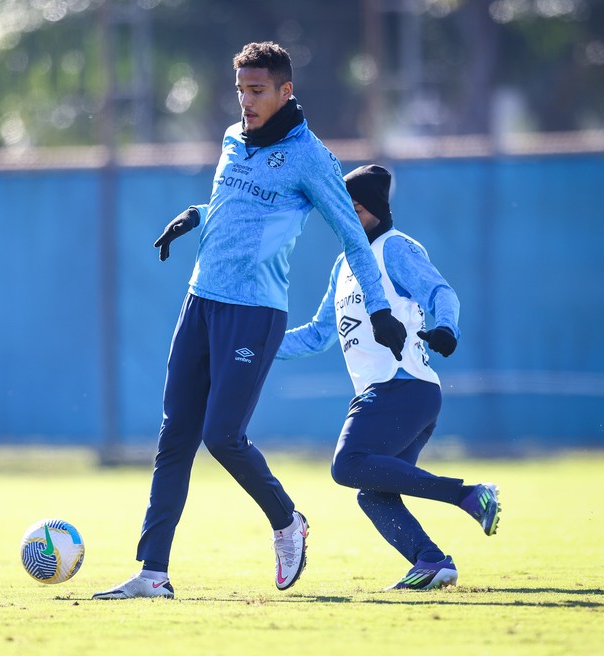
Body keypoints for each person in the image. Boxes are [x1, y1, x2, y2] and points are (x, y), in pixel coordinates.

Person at [92, 42, 409, 600]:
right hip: (200, 303)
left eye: (257, 90)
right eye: (240, 90)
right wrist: (197, 215)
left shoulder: (312, 158)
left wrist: (380, 309)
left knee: (223, 436)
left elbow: (353, 237)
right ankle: (152, 572)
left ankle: (288, 522)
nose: (246, 101)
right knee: (175, 438)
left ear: (286, 91)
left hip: (254, 312)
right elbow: (241, 210)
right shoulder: (233, 141)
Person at [276, 163, 502, 590]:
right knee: (372, 492)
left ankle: (468, 495)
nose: (347, 219)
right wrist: (256, 347)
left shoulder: (395, 249)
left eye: (356, 209)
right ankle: (431, 561)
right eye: (343, 210)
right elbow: (318, 335)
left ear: (377, 210)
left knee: (347, 465)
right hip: (389, 394)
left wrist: (447, 328)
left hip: (404, 388)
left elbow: (441, 293)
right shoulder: (344, 263)